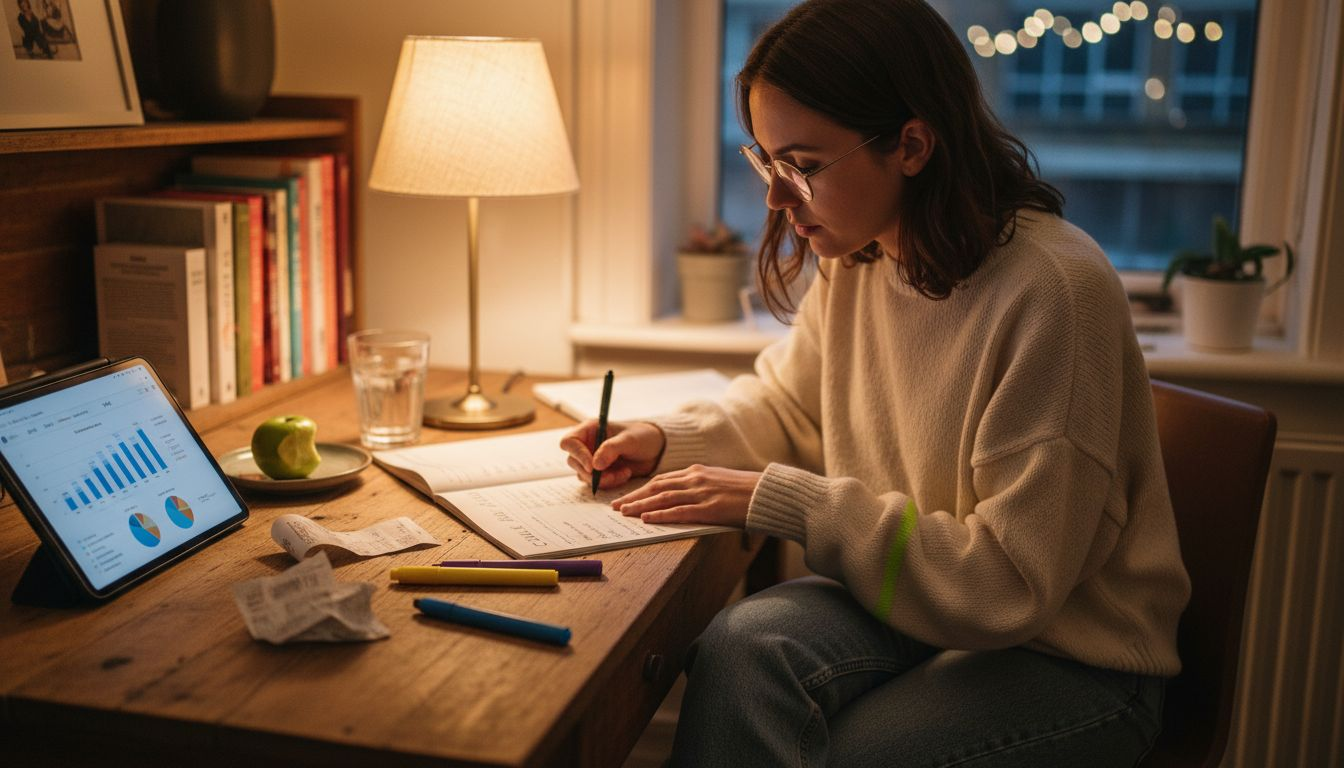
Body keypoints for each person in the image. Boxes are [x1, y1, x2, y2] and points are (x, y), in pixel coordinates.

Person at [560, 0, 1191, 765]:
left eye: (802, 164)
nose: (774, 196)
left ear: (913, 146)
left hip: (1067, 651)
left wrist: (788, 500)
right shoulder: (862, 256)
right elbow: (791, 405)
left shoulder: (1053, 291)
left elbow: (1007, 584)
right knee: (736, 648)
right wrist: (666, 439)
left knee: (852, 753)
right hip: (926, 604)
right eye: (766, 160)